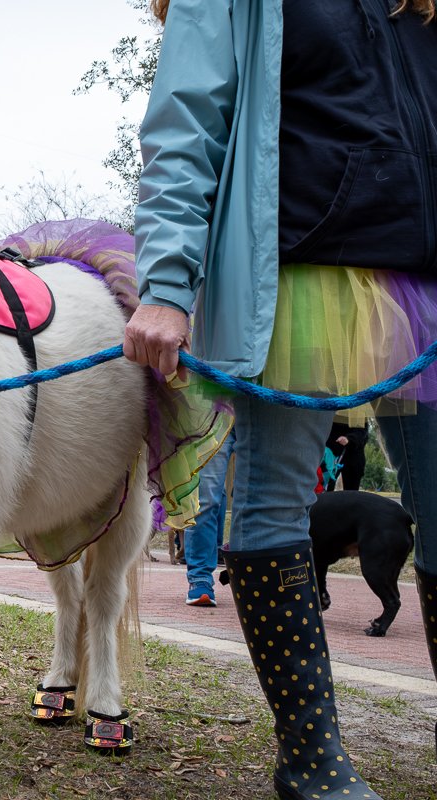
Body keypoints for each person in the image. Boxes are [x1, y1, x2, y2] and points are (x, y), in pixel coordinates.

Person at [122, 1, 437, 798]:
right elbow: (183, 122)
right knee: (273, 505)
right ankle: (312, 761)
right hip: (295, 273)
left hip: (423, 282)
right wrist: (166, 283)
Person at [184, 428, 235, 606]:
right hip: (217, 409)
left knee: (255, 497)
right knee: (205, 498)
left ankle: (251, 576)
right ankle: (200, 577)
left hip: (262, 407)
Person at [324, 419, 368, 491]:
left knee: (351, 492)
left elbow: (362, 433)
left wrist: (349, 439)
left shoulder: (359, 411)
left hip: (353, 457)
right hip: (331, 455)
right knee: (326, 488)